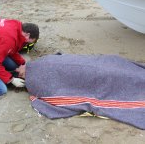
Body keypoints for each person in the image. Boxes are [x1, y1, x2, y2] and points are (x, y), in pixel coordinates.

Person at [16, 54, 145, 129]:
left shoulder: (40, 62)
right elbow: (51, 98)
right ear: (22, 78)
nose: (18, 69)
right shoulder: (35, 82)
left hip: (91, 66)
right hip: (92, 78)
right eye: (19, 73)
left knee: (114, 69)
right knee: (112, 77)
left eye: (19, 68)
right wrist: (34, 98)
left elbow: (63, 57)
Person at [0, 18, 39, 96]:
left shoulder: (15, 26)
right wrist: (11, 80)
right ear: (28, 35)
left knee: (13, 65)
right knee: (0, 89)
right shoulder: (9, 39)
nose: (27, 44)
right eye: (29, 42)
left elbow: (12, 49)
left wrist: (23, 63)